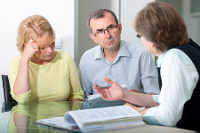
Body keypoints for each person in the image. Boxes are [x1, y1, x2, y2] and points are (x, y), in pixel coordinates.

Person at [94, 1, 200, 132]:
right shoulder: (187, 48)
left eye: (140, 35)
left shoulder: (174, 59)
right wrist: (126, 94)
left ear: (152, 39)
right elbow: (167, 98)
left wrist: (137, 111)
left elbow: (168, 117)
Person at [79, 9, 160, 97]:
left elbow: (154, 96)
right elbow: (84, 97)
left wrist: (130, 95)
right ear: (93, 38)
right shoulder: (86, 59)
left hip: (133, 109)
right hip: (99, 110)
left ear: (120, 28)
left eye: (111, 27)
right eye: (100, 31)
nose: (107, 36)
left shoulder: (142, 55)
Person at [8, 15, 84, 103]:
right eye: (42, 48)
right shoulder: (16, 63)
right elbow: (21, 99)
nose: (50, 50)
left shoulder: (65, 58)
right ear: (27, 46)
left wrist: (72, 115)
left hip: (61, 116)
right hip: (30, 117)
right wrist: (24, 60)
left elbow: (77, 95)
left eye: (52, 43)